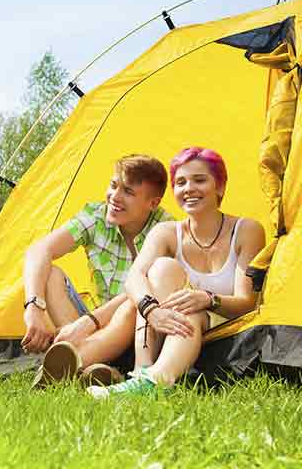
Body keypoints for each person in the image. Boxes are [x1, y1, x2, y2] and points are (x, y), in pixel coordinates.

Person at [87, 147, 265, 398]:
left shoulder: (246, 230)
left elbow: (247, 303)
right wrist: (153, 310)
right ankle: (143, 370)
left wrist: (208, 299)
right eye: (180, 182)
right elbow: (134, 277)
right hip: (172, 328)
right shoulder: (167, 232)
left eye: (199, 180)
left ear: (221, 187)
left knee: (191, 309)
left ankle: (154, 382)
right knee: (160, 269)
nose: (189, 188)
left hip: (226, 330)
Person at [21, 154, 172, 386]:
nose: (115, 197)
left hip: (142, 333)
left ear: (152, 203)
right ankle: (97, 370)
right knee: (50, 274)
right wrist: (34, 306)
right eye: (113, 186)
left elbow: (137, 291)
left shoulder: (164, 230)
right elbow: (39, 250)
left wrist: (88, 321)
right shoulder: (96, 216)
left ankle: (71, 363)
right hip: (97, 327)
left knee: (133, 305)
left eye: (128, 192)